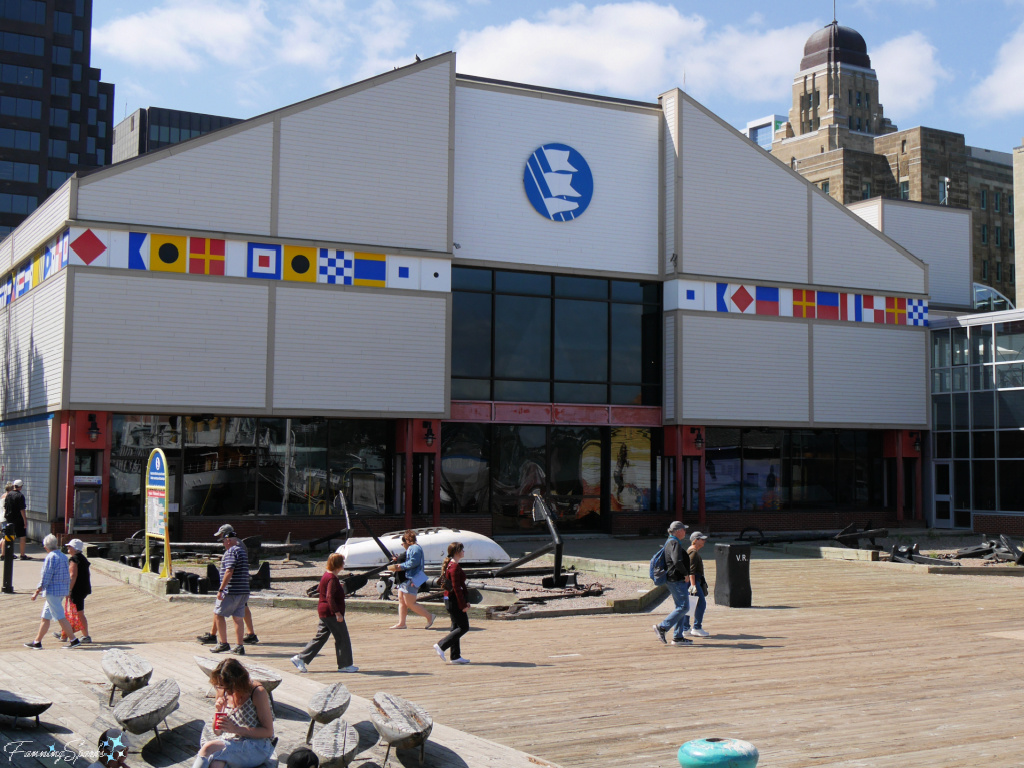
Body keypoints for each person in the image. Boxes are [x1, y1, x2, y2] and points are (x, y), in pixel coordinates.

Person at [192, 658, 275, 768]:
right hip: (230, 742)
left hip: (256, 746)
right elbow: (217, 732)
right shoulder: (222, 689)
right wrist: (218, 711)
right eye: (220, 686)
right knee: (216, 764)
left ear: (238, 682)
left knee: (208, 747)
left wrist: (236, 729)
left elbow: (268, 732)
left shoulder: (257, 692)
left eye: (229, 688)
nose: (227, 692)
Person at [290, 552, 357, 673]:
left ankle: (300, 658)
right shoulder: (331, 578)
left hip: (323, 611)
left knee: (320, 637)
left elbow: (319, 589)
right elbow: (329, 597)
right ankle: (345, 665)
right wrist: (337, 613)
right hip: (331, 613)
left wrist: (338, 587)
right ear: (338, 564)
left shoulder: (327, 575)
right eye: (342, 561)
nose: (344, 564)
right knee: (342, 637)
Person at [24, 534, 79, 649]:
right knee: (45, 617)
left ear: (46, 547)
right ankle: (37, 642)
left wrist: (37, 591)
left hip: (53, 591)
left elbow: (46, 577)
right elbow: (66, 575)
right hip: (61, 590)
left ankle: (74, 640)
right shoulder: (63, 556)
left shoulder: (50, 557)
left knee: (60, 616)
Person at [652, 521, 696, 647]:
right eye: (684, 529)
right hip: (676, 579)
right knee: (684, 607)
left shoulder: (669, 541)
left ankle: (678, 637)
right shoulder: (674, 542)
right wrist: (685, 574)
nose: (685, 532)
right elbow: (677, 561)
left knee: (680, 608)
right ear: (677, 531)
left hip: (672, 579)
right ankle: (662, 627)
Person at [211, 524, 250, 655]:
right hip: (244, 590)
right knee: (238, 618)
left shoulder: (231, 551)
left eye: (223, 541)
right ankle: (239, 646)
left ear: (228, 540)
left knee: (218, 614)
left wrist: (221, 589)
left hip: (231, 590)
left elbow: (229, 570)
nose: (223, 544)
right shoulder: (242, 551)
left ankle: (223, 643)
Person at [387, 530, 434, 630]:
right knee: (402, 601)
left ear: (408, 540)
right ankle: (402, 623)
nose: (402, 544)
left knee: (410, 603)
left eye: (403, 542)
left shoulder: (415, 548)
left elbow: (414, 562)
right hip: (408, 578)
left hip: (412, 578)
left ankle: (429, 616)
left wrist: (401, 566)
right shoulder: (413, 548)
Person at [432, 542, 471, 664]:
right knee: (464, 627)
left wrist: (466, 600)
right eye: (462, 549)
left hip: (451, 600)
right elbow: (456, 589)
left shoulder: (452, 565)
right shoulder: (453, 567)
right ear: (457, 552)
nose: (464, 551)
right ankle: (441, 645)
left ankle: (455, 656)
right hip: (454, 601)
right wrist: (463, 605)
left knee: (455, 627)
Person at [54, 539, 92, 644]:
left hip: (77, 589)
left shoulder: (74, 559)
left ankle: (86, 636)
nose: (68, 548)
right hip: (84, 588)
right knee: (73, 611)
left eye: (69, 547)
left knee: (79, 613)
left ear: (75, 549)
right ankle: (64, 633)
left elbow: (73, 575)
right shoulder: (82, 559)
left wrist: (69, 590)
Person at [686, 532, 710, 638]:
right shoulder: (693, 552)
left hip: (692, 582)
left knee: (690, 604)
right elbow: (691, 571)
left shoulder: (691, 550)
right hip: (694, 582)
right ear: (695, 540)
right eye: (701, 539)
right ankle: (697, 627)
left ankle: (685, 628)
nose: (704, 541)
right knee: (701, 604)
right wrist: (693, 585)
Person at [4, 479, 29, 560]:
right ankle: (22, 555)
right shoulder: (20, 496)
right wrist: (25, 520)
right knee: (22, 536)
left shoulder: (8, 495)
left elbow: (5, 506)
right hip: (18, 519)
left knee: (8, 536)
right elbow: (22, 509)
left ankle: (5, 554)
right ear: (21, 487)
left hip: (9, 518)